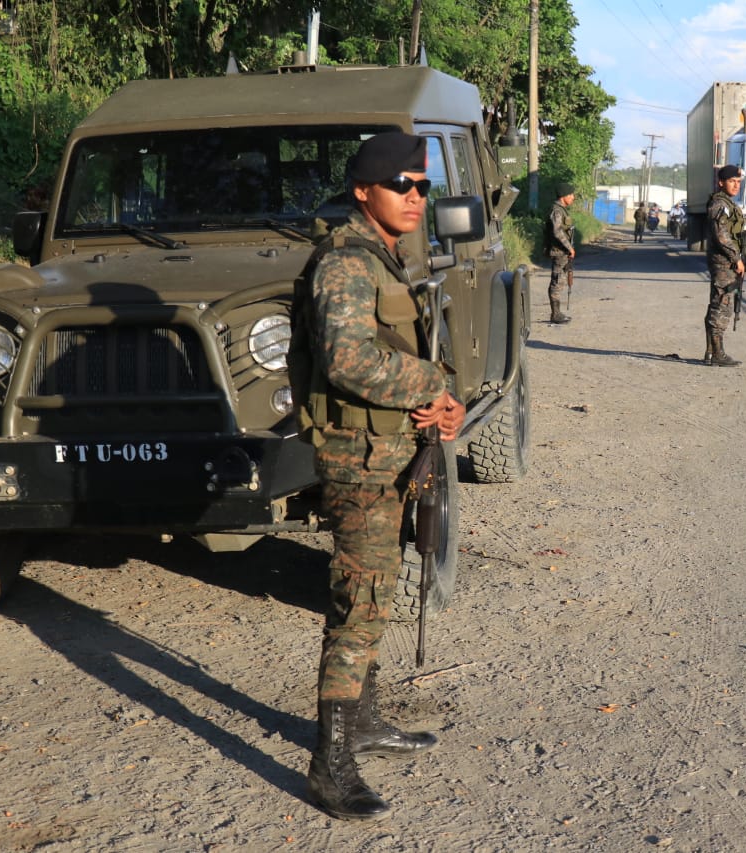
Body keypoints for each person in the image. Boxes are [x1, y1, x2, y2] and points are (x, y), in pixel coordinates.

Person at [295, 131, 466, 821]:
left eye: (423, 187)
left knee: (379, 590)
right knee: (360, 601)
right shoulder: (344, 264)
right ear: (364, 190)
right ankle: (329, 764)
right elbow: (348, 362)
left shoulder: (387, 257)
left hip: (393, 450)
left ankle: (361, 720)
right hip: (358, 461)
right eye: (404, 186)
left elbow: (397, 356)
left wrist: (443, 406)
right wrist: (433, 380)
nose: (417, 198)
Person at [703, 164, 745, 367]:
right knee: (722, 305)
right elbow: (721, 235)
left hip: (724, 261)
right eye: (732, 181)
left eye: (738, 182)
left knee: (717, 303)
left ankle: (711, 352)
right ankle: (717, 354)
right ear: (721, 183)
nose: (736, 185)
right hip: (723, 262)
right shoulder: (720, 205)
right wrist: (736, 258)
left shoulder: (726, 203)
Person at [544, 182, 577, 323]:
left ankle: (557, 313)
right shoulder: (557, 211)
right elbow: (557, 232)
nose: (573, 197)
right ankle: (555, 314)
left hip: (562, 251)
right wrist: (569, 248)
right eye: (571, 195)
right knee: (557, 282)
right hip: (559, 251)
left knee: (560, 281)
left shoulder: (561, 209)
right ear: (564, 196)